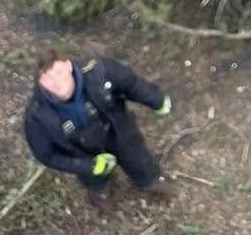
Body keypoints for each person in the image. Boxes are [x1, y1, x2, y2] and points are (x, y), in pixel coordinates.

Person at [23, 51, 174, 202]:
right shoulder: (36, 116)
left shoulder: (97, 71)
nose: (56, 82)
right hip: (81, 150)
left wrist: (156, 100)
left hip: (117, 130)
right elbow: (46, 155)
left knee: (138, 159)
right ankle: (100, 193)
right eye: (48, 78)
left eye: (59, 72)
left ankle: (152, 183)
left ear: (69, 65)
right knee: (94, 179)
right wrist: (88, 166)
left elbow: (131, 83)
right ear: (40, 83)